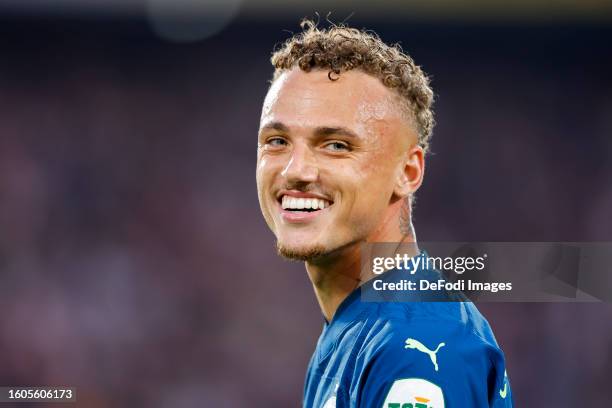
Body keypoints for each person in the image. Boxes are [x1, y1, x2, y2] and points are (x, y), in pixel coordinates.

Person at [255, 20, 513, 407]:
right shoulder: (356, 326)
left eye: (336, 145)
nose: (295, 170)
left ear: (407, 173)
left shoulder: (416, 348)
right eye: (277, 141)